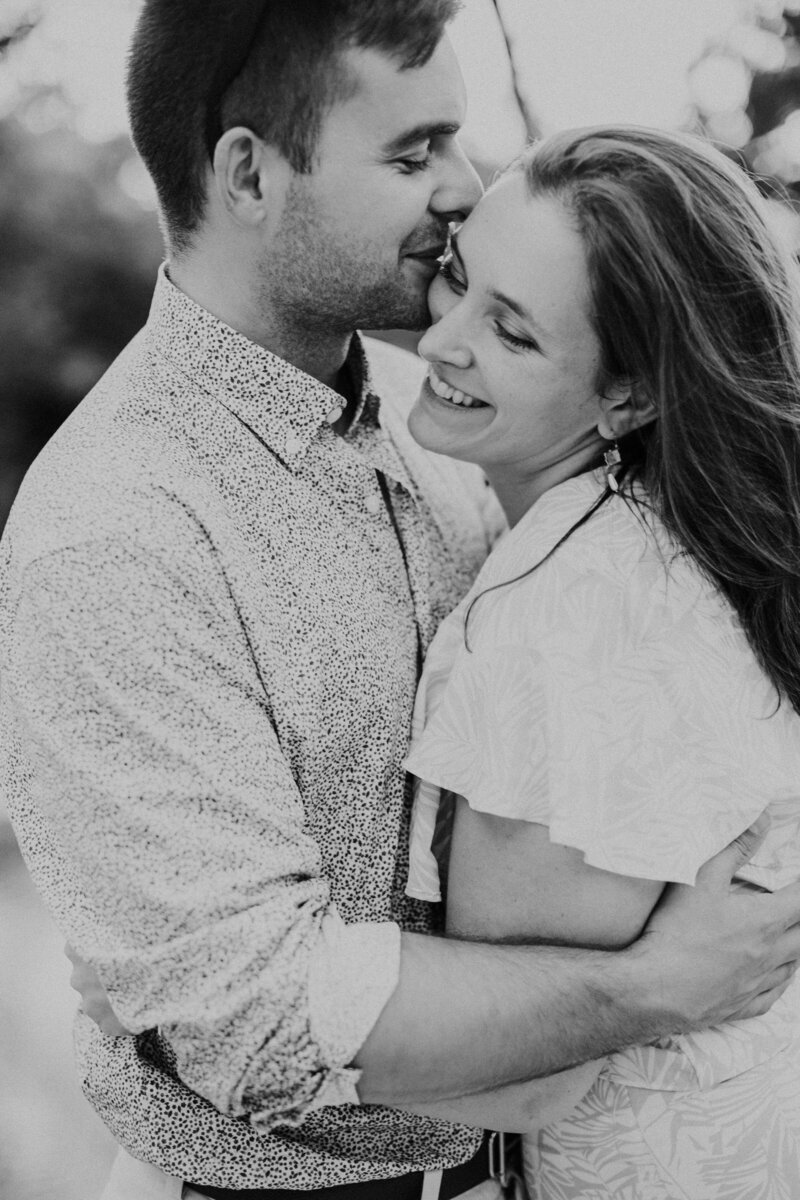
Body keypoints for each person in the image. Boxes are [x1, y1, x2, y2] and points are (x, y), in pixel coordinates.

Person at [1, 0, 799, 1195]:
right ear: (247, 173)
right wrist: (653, 987)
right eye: (414, 151)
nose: (465, 188)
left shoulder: (441, 423)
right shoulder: (116, 529)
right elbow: (255, 1027)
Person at [403, 125, 800, 1198]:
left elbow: (516, 1082)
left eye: (513, 333)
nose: (442, 340)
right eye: (456, 278)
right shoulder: (688, 547)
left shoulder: (572, 618)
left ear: (626, 396)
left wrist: (196, 1021)